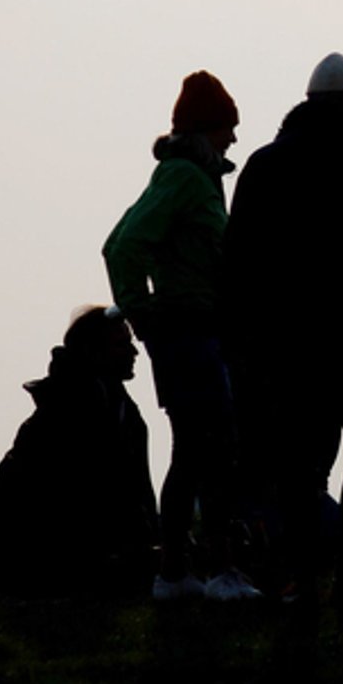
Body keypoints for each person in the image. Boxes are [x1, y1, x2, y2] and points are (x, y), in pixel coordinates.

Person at [223, 52, 343, 603]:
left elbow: (237, 264)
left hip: (288, 347)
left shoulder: (264, 166)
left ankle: (305, 578)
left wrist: (243, 344)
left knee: (302, 465)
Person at [103, 70, 262, 601]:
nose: (235, 138)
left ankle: (174, 572)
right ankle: (219, 571)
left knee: (193, 451)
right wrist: (142, 313)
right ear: (207, 129)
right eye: (228, 127)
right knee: (215, 449)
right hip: (187, 332)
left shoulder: (187, 176)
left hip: (191, 332)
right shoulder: (186, 178)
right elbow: (122, 246)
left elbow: (119, 239)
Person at [0, 305, 156, 597]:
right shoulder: (81, 406)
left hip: (42, 542)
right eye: (121, 344)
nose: (134, 352)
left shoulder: (101, 398)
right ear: (94, 352)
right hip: (47, 546)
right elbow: (94, 491)